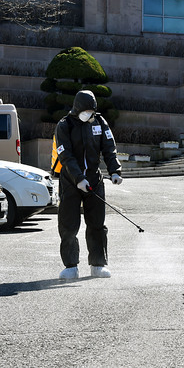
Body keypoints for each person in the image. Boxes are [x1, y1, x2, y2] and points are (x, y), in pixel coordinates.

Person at [55, 90, 123, 280]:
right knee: (68, 225)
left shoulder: (99, 122)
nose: (89, 114)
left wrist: (115, 171)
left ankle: (97, 264)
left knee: (97, 224)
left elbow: (109, 147)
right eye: (86, 110)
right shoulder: (64, 125)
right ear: (77, 108)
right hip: (70, 181)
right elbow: (65, 156)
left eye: (92, 110)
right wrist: (78, 179)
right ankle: (71, 266)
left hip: (94, 179)